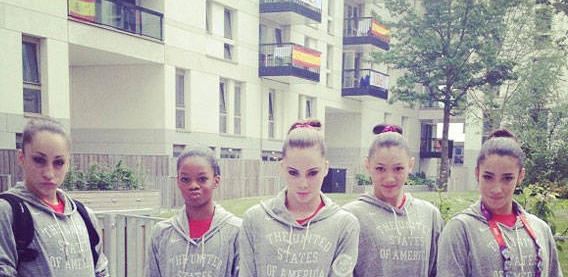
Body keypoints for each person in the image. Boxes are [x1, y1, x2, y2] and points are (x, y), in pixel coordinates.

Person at [0, 118, 109, 277]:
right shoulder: (2, 214)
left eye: (59, 162)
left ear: (68, 164)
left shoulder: (84, 215)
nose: (49, 173)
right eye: (39, 160)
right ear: (21, 157)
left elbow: (101, 271)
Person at [239, 119, 359, 277]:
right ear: (282, 167)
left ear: (326, 168)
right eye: (293, 173)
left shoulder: (345, 224)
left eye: (312, 173)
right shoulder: (255, 219)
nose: (303, 184)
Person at [437, 128, 564, 277]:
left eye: (507, 178)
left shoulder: (541, 229)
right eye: (488, 177)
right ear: (477, 173)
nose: (497, 189)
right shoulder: (460, 229)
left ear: (520, 176)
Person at [343, 124, 443, 277]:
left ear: (410, 165)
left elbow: (438, 270)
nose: (389, 178)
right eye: (380, 169)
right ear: (367, 165)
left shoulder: (430, 215)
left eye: (398, 169)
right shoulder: (351, 216)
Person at [145, 146, 241, 277]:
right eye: (185, 179)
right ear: (178, 181)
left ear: (216, 181)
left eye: (202, 179)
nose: (193, 186)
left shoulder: (236, 231)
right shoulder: (162, 233)